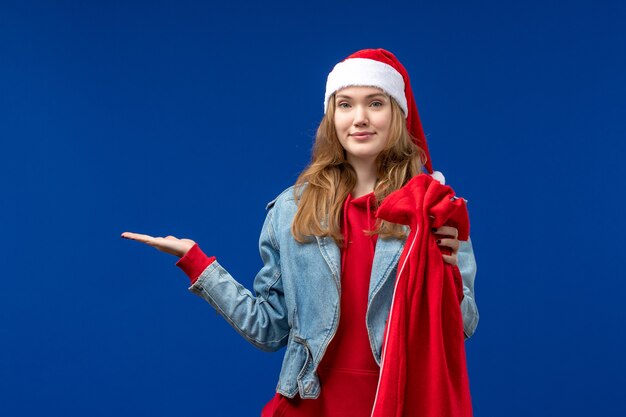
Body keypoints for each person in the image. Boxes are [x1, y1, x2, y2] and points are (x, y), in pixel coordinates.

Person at [122, 48, 478, 417]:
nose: (360, 118)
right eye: (345, 105)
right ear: (331, 116)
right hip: (309, 403)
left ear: (397, 114)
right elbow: (269, 329)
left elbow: (462, 326)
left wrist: (446, 270)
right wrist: (196, 261)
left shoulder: (433, 207)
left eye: (375, 103)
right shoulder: (291, 210)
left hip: (399, 401)